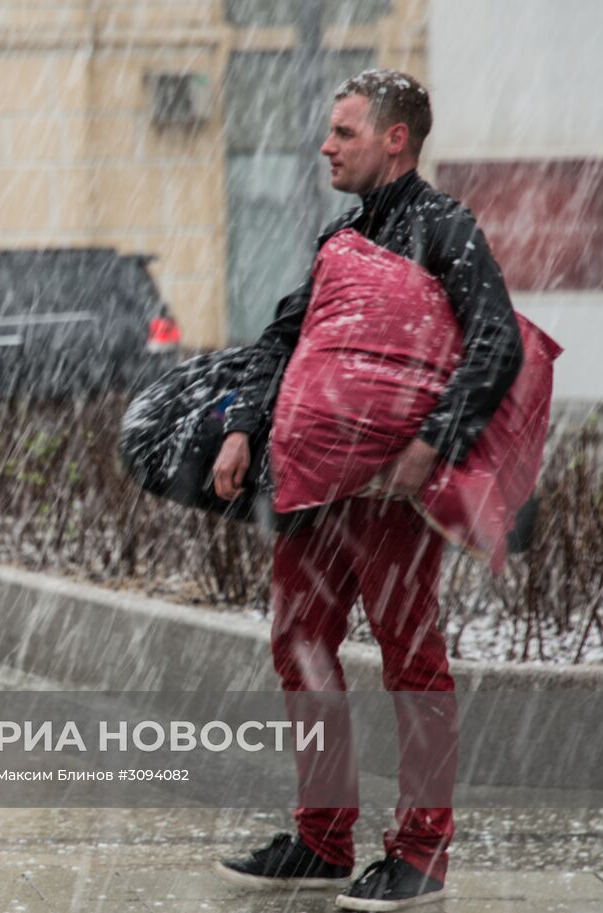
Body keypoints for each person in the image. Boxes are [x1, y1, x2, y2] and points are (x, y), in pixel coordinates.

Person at [209, 70, 524, 912]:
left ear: (395, 138)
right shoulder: (338, 238)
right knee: (299, 642)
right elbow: (286, 336)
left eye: (344, 131)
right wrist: (243, 422)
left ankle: (422, 851)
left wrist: (434, 442)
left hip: (392, 488)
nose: (326, 145)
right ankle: (322, 839)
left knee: (410, 660)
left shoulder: (445, 229)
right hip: (313, 484)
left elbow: (497, 342)